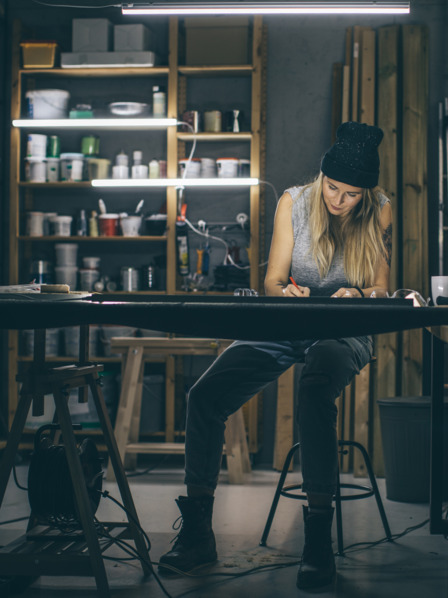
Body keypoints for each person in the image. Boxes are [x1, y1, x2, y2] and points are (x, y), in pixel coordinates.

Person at [158, 122, 393, 590]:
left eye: (350, 194)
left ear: (365, 194)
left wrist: (356, 292)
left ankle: (317, 542)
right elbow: (272, 281)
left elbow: (382, 289)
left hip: (346, 331)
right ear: (321, 177)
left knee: (315, 390)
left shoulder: (379, 211)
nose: (338, 200)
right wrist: (289, 292)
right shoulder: (294, 201)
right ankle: (199, 534)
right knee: (204, 396)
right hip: (289, 324)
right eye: (332, 187)